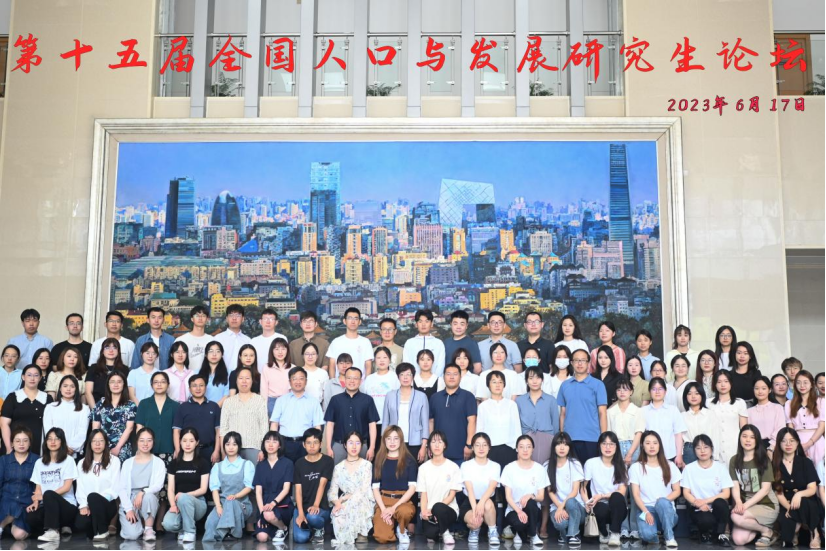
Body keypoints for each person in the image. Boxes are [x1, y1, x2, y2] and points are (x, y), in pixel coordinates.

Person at [772, 427, 823, 549]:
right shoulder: (775, 465)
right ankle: (794, 532)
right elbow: (779, 493)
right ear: (779, 443)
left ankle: (815, 533)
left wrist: (798, 494)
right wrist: (790, 508)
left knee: (805, 502)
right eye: (784, 441)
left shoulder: (806, 462)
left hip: (808, 501)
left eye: (792, 440)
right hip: (787, 504)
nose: (788, 444)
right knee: (787, 538)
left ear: (797, 442)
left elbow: (812, 489)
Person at [629, 431, 681, 548]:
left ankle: (669, 537)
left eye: (655, 443)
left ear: (659, 445)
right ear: (642, 446)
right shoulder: (636, 467)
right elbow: (636, 494)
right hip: (646, 509)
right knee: (647, 535)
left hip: (666, 510)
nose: (652, 446)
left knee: (662, 502)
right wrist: (646, 512)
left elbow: (677, 491)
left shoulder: (670, 465)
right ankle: (655, 534)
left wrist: (662, 501)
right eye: (648, 443)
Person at [730, 425, 779, 547]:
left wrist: (744, 506)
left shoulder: (764, 459)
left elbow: (765, 489)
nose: (748, 440)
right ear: (739, 438)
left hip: (766, 505)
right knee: (738, 540)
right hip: (746, 506)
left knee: (736, 516)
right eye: (744, 436)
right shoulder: (734, 460)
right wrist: (738, 502)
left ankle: (767, 531)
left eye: (752, 437)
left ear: (757, 440)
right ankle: (763, 529)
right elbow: (735, 486)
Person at [26, 427, 78, 542]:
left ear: (62, 441)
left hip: (67, 507)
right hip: (48, 506)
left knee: (49, 494)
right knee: (31, 517)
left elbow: (67, 487)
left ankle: (53, 531)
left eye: (56, 439)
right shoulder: (39, 463)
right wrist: (36, 502)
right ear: (46, 442)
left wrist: (45, 496)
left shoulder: (68, 460)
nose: (52, 442)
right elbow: (38, 487)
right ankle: (59, 527)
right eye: (49, 439)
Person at [680, 434, 733, 546]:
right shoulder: (689, 469)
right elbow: (686, 492)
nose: (702, 451)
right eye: (698, 448)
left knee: (721, 503)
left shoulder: (720, 468)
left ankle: (720, 534)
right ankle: (705, 533)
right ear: (694, 451)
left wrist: (706, 501)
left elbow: (726, 493)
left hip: (716, 506)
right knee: (706, 520)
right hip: (698, 507)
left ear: (711, 449)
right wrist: (698, 503)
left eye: (706, 447)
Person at [557, 347, 608, 463]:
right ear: (571, 363)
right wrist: (562, 436)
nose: (580, 363)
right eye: (576, 360)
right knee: (572, 472)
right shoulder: (565, 385)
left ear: (588, 363)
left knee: (590, 472)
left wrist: (603, 438)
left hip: (592, 438)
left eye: (583, 360)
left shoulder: (598, 385)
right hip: (570, 438)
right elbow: (562, 414)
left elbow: (602, 413)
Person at [203, 432, 255, 541]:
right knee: (210, 523)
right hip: (222, 504)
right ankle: (223, 534)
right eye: (227, 444)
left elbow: (249, 487)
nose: (231, 447)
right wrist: (218, 506)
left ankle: (232, 534)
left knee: (231, 502)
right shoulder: (217, 466)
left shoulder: (247, 464)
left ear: (239, 446)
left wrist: (235, 496)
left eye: (234, 444)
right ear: (224, 446)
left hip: (242, 504)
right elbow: (214, 489)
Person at [161, 427, 210, 543]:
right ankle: (183, 529)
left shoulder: (203, 463)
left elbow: (203, 489)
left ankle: (190, 532)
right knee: (168, 524)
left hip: (198, 503)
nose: (188, 444)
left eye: (191, 441)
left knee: (184, 498)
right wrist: (173, 505)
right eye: (184, 440)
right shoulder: (174, 463)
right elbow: (171, 489)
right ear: (180, 442)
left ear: (197, 443)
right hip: (179, 503)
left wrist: (185, 495)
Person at [117, 427, 166, 541]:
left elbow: (158, 485)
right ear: (137, 442)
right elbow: (122, 488)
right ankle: (139, 527)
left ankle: (148, 529)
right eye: (142, 440)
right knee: (132, 535)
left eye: (149, 440)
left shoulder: (158, 462)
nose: (145, 444)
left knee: (148, 496)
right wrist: (128, 509)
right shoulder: (127, 463)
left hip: (147, 498)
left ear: (153, 442)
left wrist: (143, 492)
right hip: (130, 500)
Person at [371, 425, 418, 544]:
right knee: (382, 538)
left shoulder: (409, 460)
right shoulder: (379, 460)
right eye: (389, 438)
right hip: (384, 501)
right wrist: (384, 510)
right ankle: (393, 527)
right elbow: (375, 488)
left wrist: (393, 508)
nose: (392, 442)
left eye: (396, 438)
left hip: (402, 501)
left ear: (401, 440)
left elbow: (412, 488)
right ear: (384, 440)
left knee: (404, 512)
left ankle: (401, 530)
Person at [501, 434, 550, 547]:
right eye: (521, 447)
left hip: (533, 511)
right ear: (517, 449)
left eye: (528, 447)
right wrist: (519, 511)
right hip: (513, 509)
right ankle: (517, 531)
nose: (525, 450)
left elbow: (541, 497)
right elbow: (508, 497)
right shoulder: (509, 468)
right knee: (520, 524)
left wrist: (531, 495)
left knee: (531, 503)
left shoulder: (539, 469)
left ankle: (533, 535)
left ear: (533, 449)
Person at [583, 431, 628, 546]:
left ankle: (615, 533)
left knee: (617, 496)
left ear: (616, 447)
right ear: (599, 446)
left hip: (617, 507)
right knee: (600, 508)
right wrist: (587, 502)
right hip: (598, 506)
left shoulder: (622, 466)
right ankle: (604, 533)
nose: (608, 447)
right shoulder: (591, 463)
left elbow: (622, 492)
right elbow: (582, 487)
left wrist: (601, 496)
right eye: (604, 444)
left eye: (611, 444)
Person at [328, 431, 375, 545]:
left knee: (356, 505)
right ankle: (348, 533)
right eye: (350, 443)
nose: (354, 446)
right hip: (344, 501)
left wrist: (345, 499)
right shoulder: (338, 468)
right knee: (338, 512)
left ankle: (361, 533)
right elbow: (332, 492)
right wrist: (337, 503)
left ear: (361, 445)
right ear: (345, 445)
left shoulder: (367, 465)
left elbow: (364, 489)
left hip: (362, 499)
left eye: (357, 443)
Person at [269, 366, 324, 462]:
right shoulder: (281, 400)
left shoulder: (314, 402)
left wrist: (316, 445)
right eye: (294, 379)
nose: (298, 382)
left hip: (305, 444)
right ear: (290, 382)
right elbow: (274, 425)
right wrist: (273, 444)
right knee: (285, 470)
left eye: (301, 378)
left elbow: (317, 427)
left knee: (304, 470)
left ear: (306, 381)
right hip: (284, 443)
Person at [324, 366, 378, 463]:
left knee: (362, 472)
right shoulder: (335, 399)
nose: (352, 381)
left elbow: (372, 425)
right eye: (349, 378)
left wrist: (372, 448)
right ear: (344, 379)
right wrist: (328, 447)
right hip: (339, 446)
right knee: (337, 471)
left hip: (361, 446)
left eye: (355, 378)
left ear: (360, 381)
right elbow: (330, 424)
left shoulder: (368, 400)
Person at [417, 430, 463, 544]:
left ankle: (445, 532)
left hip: (448, 509)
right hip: (429, 512)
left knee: (438, 508)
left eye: (440, 442)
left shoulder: (453, 467)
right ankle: (438, 530)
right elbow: (423, 494)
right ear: (429, 446)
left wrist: (434, 509)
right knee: (430, 537)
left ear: (445, 445)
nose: (437, 445)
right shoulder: (423, 468)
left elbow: (452, 495)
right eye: (433, 442)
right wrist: (424, 511)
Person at [74, 429, 121, 541]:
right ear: (90, 444)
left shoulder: (114, 461)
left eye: (101, 441)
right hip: (89, 505)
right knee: (80, 523)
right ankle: (95, 530)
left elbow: (115, 486)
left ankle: (103, 531)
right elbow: (80, 487)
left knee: (93, 497)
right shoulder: (81, 463)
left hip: (108, 504)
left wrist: (96, 502)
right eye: (94, 441)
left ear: (105, 443)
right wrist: (84, 505)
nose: (97, 444)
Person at [292, 428, 334, 544]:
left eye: (315, 442)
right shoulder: (299, 463)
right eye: (309, 443)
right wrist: (301, 513)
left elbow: (322, 484)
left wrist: (315, 505)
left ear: (321, 444)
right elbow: (298, 490)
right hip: (302, 507)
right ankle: (311, 530)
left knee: (312, 517)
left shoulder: (327, 461)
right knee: (300, 539)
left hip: (321, 508)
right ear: (304, 445)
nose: (312, 446)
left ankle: (319, 528)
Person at [430, 364, 477, 464]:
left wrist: (469, 445)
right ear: (443, 377)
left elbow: (472, 421)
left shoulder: (468, 396)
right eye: (448, 374)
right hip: (439, 452)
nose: (451, 377)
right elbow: (431, 422)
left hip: (462, 452)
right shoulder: (435, 397)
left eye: (455, 374)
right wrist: (430, 444)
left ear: (460, 377)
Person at [220, 366, 269, 463]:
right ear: (236, 381)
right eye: (241, 378)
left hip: (254, 448)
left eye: (247, 378)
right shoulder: (228, 402)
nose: (244, 381)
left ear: (252, 381)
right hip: (232, 449)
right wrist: (223, 452)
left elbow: (264, 427)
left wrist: (263, 450)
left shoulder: (260, 400)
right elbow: (223, 429)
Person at [383, 362, 429, 462]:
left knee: (413, 469)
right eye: (402, 374)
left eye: (408, 374)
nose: (405, 377)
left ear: (413, 377)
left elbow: (425, 423)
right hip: (394, 442)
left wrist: (424, 446)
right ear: (398, 377)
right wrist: (384, 442)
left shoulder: (421, 396)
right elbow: (385, 421)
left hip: (415, 442)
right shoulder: (390, 395)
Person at [460, 432, 501, 545]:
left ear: (489, 447)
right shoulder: (466, 465)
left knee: (487, 503)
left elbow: (491, 487)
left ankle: (492, 531)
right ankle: (474, 530)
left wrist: (481, 503)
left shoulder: (495, 466)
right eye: (477, 445)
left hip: (487, 502)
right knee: (474, 521)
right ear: (472, 448)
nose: (481, 448)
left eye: (484, 445)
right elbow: (470, 489)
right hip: (470, 502)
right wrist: (475, 509)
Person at [253, 431, 294, 543]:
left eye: (274, 441)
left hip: (282, 504)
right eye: (268, 441)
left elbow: (286, 489)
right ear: (264, 444)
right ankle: (274, 529)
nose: (270, 444)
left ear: (279, 445)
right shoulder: (260, 466)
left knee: (269, 515)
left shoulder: (287, 463)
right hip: (264, 505)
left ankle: (283, 528)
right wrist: (262, 513)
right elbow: (258, 492)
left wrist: (273, 503)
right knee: (262, 537)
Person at [546, 432, 586, 546]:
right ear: (554, 447)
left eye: (565, 444)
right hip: (557, 506)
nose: (562, 447)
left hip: (576, 507)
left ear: (569, 447)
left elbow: (574, 491)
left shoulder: (575, 464)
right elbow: (550, 492)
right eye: (559, 444)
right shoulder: (547, 465)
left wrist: (562, 506)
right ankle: (565, 534)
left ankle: (573, 535)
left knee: (570, 502)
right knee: (561, 523)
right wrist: (559, 508)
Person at [1, 364, 52, 453]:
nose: (32, 378)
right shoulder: (13, 397)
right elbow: (4, 424)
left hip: (39, 446)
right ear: (23, 377)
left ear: (40, 378)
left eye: (36, 375)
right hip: (15, 446)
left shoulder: (47, 398)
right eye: (29, 375)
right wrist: (9, 447)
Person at [172, 375, 221, 463]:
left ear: (205, 387)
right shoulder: (182, 407)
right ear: (189, 389)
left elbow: (219, 431)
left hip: (209, 450)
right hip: (188, 451)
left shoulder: (214, 406)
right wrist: (178, 450)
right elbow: (176, 431)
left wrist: (216, 451)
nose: (198, 388)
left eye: (201, 385)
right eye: (194, 386)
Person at [516, 366, 560, 467]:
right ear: (526, 381)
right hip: (526, 439)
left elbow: (555, 423)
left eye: (538, 378)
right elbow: (517, 423)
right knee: (527, 468)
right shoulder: (519, 401)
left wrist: (553, 440)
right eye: (531, 378)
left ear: (542, 380)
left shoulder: (551, 400)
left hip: (547, 438)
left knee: (546, 468)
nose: (534, 381)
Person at [0, 426, 37, 540]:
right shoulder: (4, 460)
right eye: (17, 441)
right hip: (6, 500)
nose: (21, 444)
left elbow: (39, 485)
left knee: (19, 535)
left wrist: (36, 500)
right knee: (11, 505)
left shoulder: (37, 460)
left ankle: (5, 526)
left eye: (25, 440)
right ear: (12, 444)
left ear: (30, 443)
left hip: (26, 502)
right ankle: (3, 526)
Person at [477, 370, 521, 467]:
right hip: (490, 449)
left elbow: (517, 429)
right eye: (494, 382)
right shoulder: (483, 406)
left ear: (504, 385)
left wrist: (518, 449)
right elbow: (480, 430)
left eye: (500, 382)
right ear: (488, 385)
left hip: (509, 448)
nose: (497, 385)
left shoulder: (511, 405)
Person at [135, 371, 179, 466]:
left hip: (168, 449)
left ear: (168, 385)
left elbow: (177, 430)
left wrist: (177, 448)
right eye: (156, 382)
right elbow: (139, 427)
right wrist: (139, 447)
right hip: (147, 449)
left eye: (163, 382)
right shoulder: (144, 404)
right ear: (152, 385)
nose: (159, 384)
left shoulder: (175, 406)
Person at [91, 371, 137, 462]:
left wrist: (117, 448)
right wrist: (99, 445)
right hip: (102, 446)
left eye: (119, 382)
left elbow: (129, 428)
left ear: (124, 384)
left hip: (122, 448)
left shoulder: (130, 405)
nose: (116, 385)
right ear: (108, 385)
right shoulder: (100, 403)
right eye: (112, 382)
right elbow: (95, 428)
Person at [642, 377, 687, 466]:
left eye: (660, 389)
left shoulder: (673, 410)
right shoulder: (643, 411)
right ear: (649, 392)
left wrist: (679, 455)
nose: (657, 392)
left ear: (665, 392)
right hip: (649, 456)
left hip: (670, 455)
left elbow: (678, 434)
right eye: (654, 389)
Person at [709, 370, 749, 467]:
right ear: (715, 384)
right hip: (715, 445)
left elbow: (744, 429)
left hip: (734, 445)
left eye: (726, 381)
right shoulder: (708, 403)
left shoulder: (740, 403)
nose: (723, 385)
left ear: (731, 383)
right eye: (719, 382)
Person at [42, 375, 89, 457]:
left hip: (74, 453)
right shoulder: (50, 407)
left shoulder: (84, 409)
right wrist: (61, 446)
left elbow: (82, 432)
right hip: (55, 451)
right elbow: (48, 430)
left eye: (72, 386)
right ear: (60, 388)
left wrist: (70, 447)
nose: (68, 389)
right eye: (65, 386)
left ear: (76, 389)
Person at [785, 370, 825, 466]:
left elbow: (822, 426)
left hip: (817, 441)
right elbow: (790, 427)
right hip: (798, 441)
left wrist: (809, 444)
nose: (802, 385)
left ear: (812, 384)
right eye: (798, 382)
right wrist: (797, 444)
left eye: (805, 382)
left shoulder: (821, 402)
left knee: (819, 470)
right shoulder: (789, 404)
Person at [681, 382, 723, 464]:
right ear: (685, 396)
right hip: (689, 451)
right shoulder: (682, 416)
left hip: (707, 450)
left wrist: (715, 456)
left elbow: (715, 436)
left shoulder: (710, 414)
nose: (693, 396)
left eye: (697, 393)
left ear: (702, 395)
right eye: (689, 394)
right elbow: (679, 439)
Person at [608, 376, 646, 465]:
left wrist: (630, 454)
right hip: (616, 446)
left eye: (625, 389)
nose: (622, 392)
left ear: (631, 392)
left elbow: (638, 433)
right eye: (619, 389)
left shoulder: (637, 411)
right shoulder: (610, 412)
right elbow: (609, 434)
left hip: (633, 447)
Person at [326, 308, 374, 378]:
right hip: (339, 383)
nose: (353, 321)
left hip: (360, 383)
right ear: (344, 321)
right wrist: (333, 382)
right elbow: (332, 365)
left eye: (356, 318)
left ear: (359, 322)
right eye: (350, 318)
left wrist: (366, 383)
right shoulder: (336, 342)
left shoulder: (365, 342)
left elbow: (368, 366)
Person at [361, 346, 399, 432]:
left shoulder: (395, 377)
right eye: (378, 358)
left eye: (385, 357)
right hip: (371, 421)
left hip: (390, 421)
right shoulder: (369, 379)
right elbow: (363, 399)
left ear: (389, 359)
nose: (382, 360)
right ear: (374, 360)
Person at [85, 337, 129, 406]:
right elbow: (88, 392)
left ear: (118, 351)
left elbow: (127, 391)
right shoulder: (93, 368)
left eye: (114, 347)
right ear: (102, 351)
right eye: (107, 347)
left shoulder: (125, 369)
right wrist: (95, 410)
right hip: (97, 406)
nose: (111, 350)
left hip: (119, 408)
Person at [402, 308, 446, 376]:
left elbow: (440, 366)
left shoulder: (439, 343)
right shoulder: (409, 343)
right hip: (413, 381)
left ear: (431, 324)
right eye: (420, 321)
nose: (423, 324)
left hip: (435, 381)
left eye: (426, 321)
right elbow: (406, 364)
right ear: (416, 324)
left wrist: (434, 380)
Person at [748, 375, 787, 452]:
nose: (760, 391)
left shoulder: (777, 408)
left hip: (774, 446)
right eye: (757, 388)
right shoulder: (749, 411)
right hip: (755, 447)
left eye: (763, 388)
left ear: (769, 390)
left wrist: (771, 448)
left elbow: (780, 428)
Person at [214, 304, 252, 376]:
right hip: (222, 378)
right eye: (231, 315)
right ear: (227, 319)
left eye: (238, 315)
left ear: (243, 319)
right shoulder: (218, 339)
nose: (234, 318)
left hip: (242, 379)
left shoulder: (248, 340)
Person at [174, 306, 213, 373]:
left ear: (207, 319)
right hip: (186, 376)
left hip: (206, 376)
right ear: (192, 319)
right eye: (197, 316)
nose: (200, 318)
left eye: (203, 316)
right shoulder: (181, 340)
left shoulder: (212, 340)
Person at [261, 338, 292, 416]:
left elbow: (293, 389)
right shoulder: (266, 367)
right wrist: (264, 408)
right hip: (272, 402)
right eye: (277, 349)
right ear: (272, 351)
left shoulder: (292, 368)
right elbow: (264, 389)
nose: (280, 352)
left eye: (283, 349)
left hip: (288, 401)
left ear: (287, 351)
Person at [198, 340, 230, 406]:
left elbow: (227, 394)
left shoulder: (229, 373)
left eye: (218, 351)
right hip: (201, 408)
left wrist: (214, 409)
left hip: (221, 409)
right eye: (211, 351)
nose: (214, 354)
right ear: (206, 354)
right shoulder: (197, 373)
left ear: (222, 354)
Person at [730, 341, 762, 406]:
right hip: (733, 407)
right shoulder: (729, 375)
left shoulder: (756, 374)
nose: (742, 356)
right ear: (734, 355)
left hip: (752, 407)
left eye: (745, 353)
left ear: (750, 356)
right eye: (739, 353)